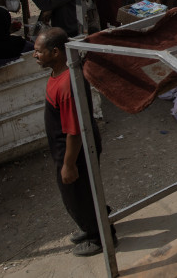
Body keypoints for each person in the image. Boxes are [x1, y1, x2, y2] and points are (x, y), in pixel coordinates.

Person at [32, 29, 115, 257]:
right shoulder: (60, 73)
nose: (34, 55)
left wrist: (69, 164)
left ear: (56, 52)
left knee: (77, 194)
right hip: (67, 147)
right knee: (84, 191)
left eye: (39, 51)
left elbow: (74, 131)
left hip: (74, 149)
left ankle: (100, 236)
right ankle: (93, 225)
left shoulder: (67, 84)